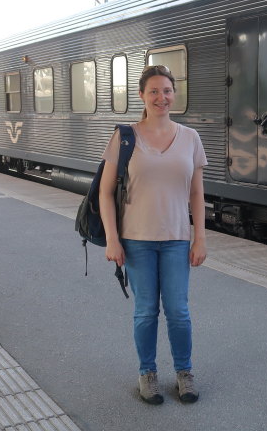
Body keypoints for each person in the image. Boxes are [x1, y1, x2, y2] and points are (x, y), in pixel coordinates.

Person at [99, 64, 207, 405]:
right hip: (136, 240)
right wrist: (113, 239)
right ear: (142, 97)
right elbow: (104, 192)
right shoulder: (125, 136)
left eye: (167, 91)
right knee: (146, 311)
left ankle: (184, 373)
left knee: (178, 311)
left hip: (176, 239)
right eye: (154, 92)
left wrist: (199, 237)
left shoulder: (190, 137)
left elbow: (197, 194)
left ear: (174, 94)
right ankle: (147, 373)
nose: (162, 97)